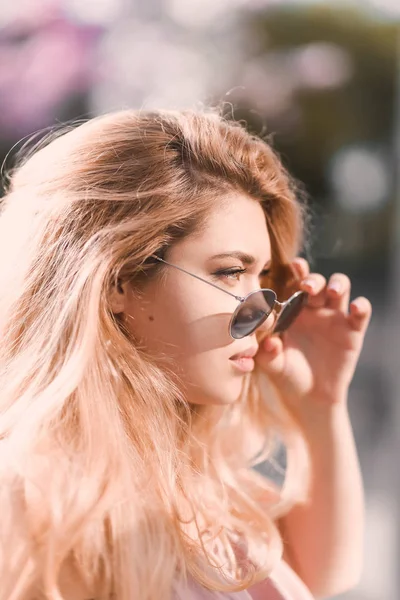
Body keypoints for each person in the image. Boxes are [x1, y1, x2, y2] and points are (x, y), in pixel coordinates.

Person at [0, 108, 371, 600]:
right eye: (228, 272)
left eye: (262, 280)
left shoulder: (194, 480)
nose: (261, 313)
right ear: (119, 281)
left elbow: (319, 577)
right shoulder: (32, 504)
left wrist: (321, 403)